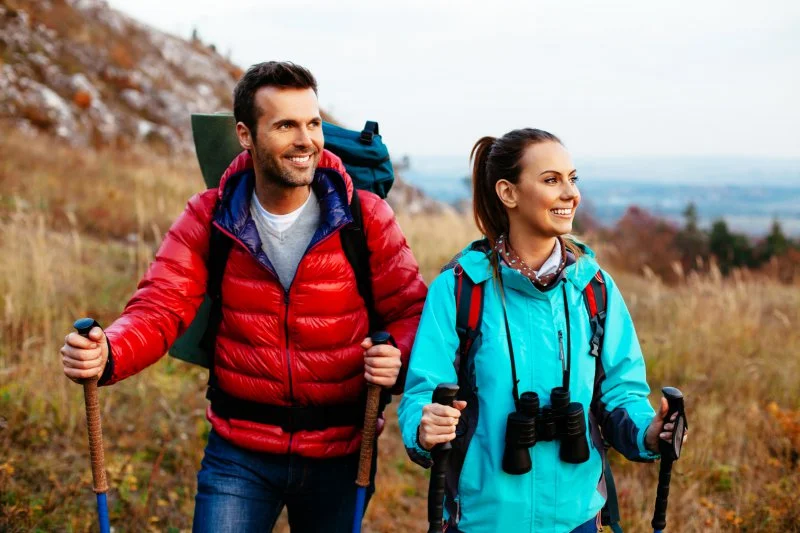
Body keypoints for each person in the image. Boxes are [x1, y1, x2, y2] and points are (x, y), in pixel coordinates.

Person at [59, 61, 427, 532]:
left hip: (343, 450)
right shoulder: (211, 213)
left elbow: (410, 310)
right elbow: (160, 305)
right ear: (245, 135)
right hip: (239, 453)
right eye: (286, 125)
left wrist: (397, 352)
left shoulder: (365, 214)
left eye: (313, 123)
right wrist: (109, 350)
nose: (306, 140)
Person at [398, 128, 687, 532]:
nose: (571, 193)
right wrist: (423, 425)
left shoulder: (594, 288)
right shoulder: (461, 288)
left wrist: (649, 432)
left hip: (577, 517)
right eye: (552, 180)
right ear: (508, 193)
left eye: (573, 178)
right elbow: (423, 391)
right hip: (483, 519)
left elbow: (621, 392)